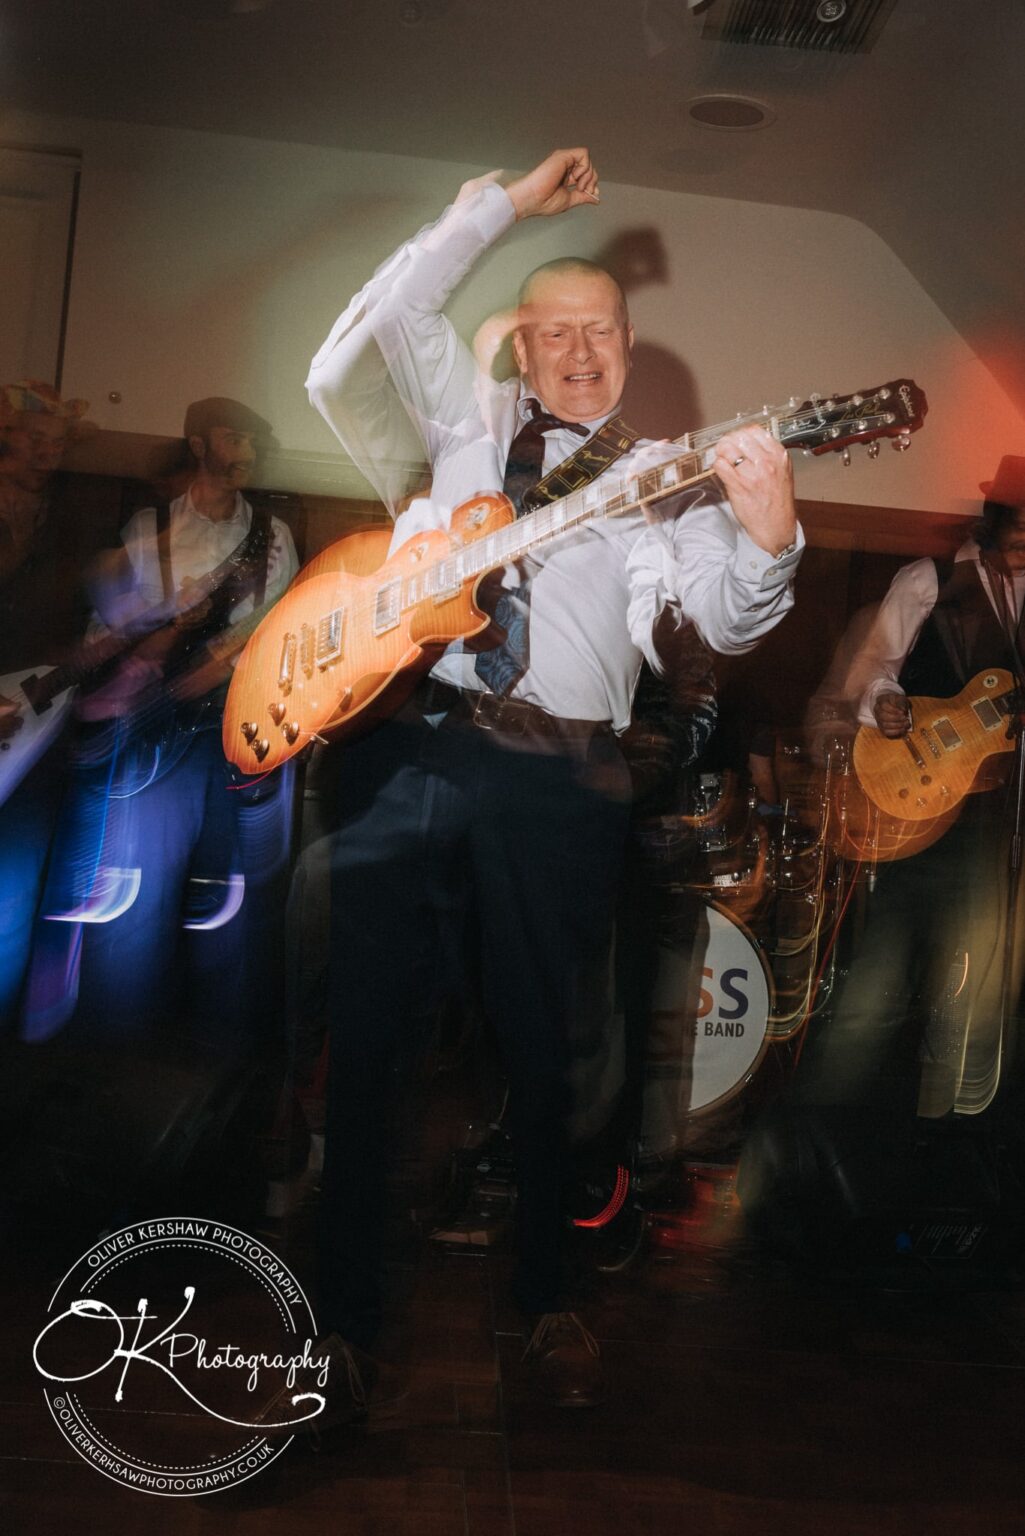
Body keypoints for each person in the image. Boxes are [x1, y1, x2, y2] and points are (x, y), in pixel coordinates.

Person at [300, 147, 802, 1412]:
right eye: (554, 331)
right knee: (366, 1048)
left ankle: (545, 1301)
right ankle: (343, 1324)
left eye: (601, 333)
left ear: (628, 348)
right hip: (409, 748)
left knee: (554, 1058)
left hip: (555, 779)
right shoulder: (460, 432)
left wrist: (770, 532)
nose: (579, 352)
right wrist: (502, 206)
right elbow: (403, 308)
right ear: (522, 349)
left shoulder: (657, 480)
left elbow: (716, 617)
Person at [26, 398, 300, 1047]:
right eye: (236, 437)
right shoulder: (150, 529)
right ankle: (118, 1042)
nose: (248, 452)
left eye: (253, 441)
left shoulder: (274, 534)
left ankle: (219, 1049)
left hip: (236, 729)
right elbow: (106, 631)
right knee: (133, 896)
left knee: (232, 894)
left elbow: (284, 627)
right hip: (155, 735)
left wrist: (227, 656)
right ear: (200, 444)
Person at [794, 455, 1025, 1117]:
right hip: (918, 807)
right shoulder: (928, 581)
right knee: (880, 980)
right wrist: (885, 702)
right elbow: (868, 673)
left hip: (997, 824)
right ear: (991, 523)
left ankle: (953, 1129)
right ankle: (826, 1123)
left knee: (982, 991)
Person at [0, 381, 93, 1027]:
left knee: (14, 890)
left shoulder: (72, 516)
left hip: (39, 723)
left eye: (57, 443)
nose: (47, 453)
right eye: (36, 439)